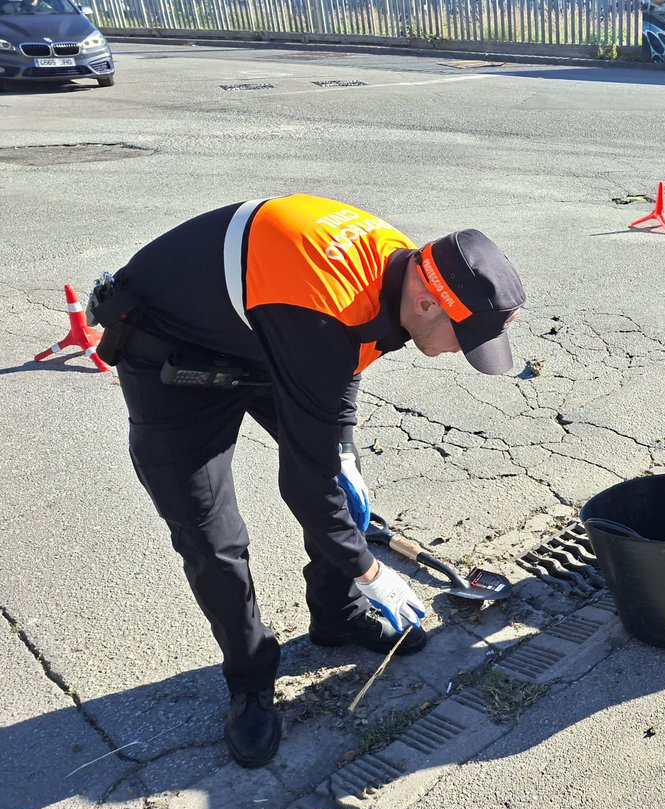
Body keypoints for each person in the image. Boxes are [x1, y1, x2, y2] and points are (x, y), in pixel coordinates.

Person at [90, 194, 526, 768]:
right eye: (464, 340)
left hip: (266, 338)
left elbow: (333, 418)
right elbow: (304, 482)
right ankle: (249, 680)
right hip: (171, 352)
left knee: (345, 487)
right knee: (209, 531)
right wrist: (372, 570)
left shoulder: (399, 272)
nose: (458, 355)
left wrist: (343, 471)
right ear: (425, 302)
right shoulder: (327, 303)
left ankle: (337, 615)